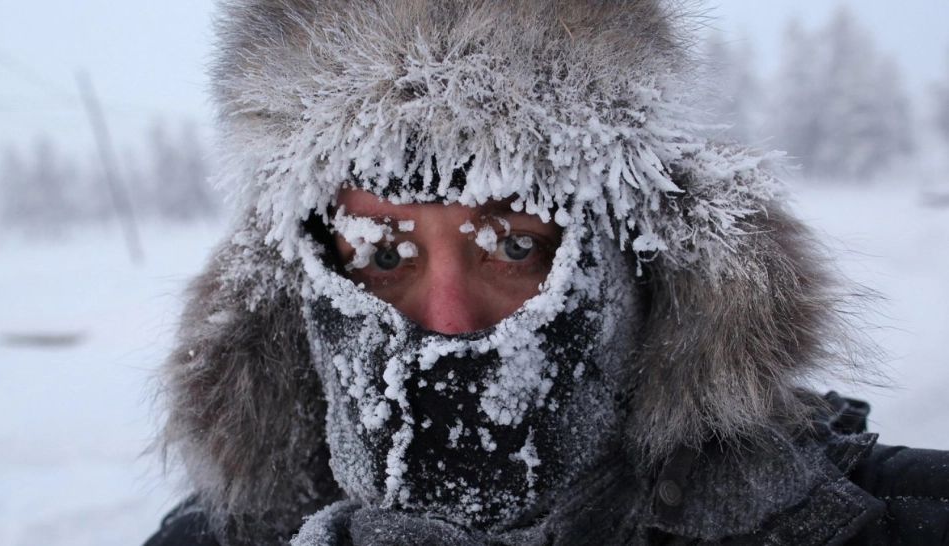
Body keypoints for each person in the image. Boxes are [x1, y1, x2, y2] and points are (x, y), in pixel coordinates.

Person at [145, 1, 949, 545]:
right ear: (301, 283)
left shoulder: (862, 519)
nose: (449, 319)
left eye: (512, 246)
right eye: (384, 254)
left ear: (627, 260)